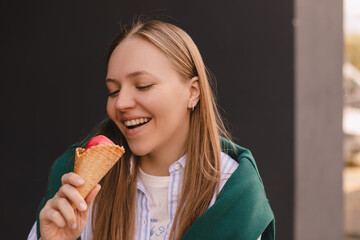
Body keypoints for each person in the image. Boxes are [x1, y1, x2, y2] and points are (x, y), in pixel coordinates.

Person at [27, 19, 275, 240]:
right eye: (113, 90)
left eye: (143, 86)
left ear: (192, 92)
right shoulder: (78, 188)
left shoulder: (234, 192)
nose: (121, 103)